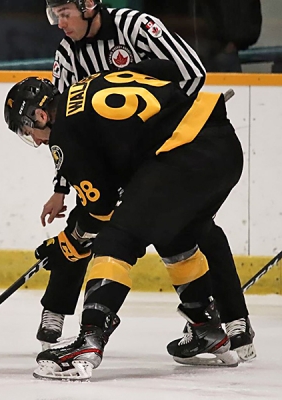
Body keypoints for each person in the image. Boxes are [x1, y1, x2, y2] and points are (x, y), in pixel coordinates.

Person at [34, 0, 254, 364]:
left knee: (123, 229)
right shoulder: (68, 53)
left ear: (89, 6)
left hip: (171, 146)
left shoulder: (135, 26)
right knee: (174, 229)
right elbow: (65, 125)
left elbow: (191, 72)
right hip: (170, 149)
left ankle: (235, 322)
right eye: (54, 16)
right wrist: (61, 186)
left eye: (65, 14)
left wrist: (157, 129)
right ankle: (207, 327)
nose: (60, 24)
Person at [4, 58, 242, 380]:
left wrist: (67, 245)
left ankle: (89, 339)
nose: (33, 139)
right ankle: (207, 328)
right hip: (224, 146)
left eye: (27, 128)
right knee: (177, 235)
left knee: (118, 238)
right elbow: (166, 70)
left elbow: (100, 209)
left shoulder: (64, 134)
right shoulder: (87, 87)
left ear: (41, 115)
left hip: (184, 153)